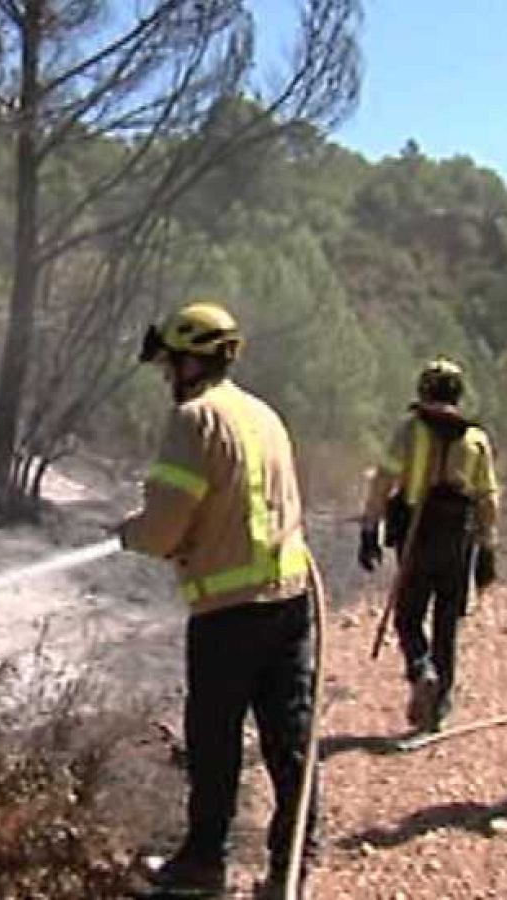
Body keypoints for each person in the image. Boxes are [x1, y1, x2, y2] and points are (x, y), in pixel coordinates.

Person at [119, 301, 322, 898]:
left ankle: (203, 863)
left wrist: (131, 532)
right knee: (291, 740)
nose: (166, 377)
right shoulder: (265, 415)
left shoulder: (194, 420)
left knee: (214, 742)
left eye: (170, 365)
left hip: (228, 613)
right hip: (290, 603)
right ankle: (291, 869)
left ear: (190, 360)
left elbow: (163, 528)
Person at [358, 358, 500, 734]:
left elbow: (382, 481)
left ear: (423, 391)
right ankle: (439, 703)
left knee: (408, 616)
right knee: (447, 621)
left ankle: (421, 669)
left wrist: (369, 530)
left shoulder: (408, 430)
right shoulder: (476, 439)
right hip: (458, 539)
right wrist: (488, 549)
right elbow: (487, 498)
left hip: (416, 536)